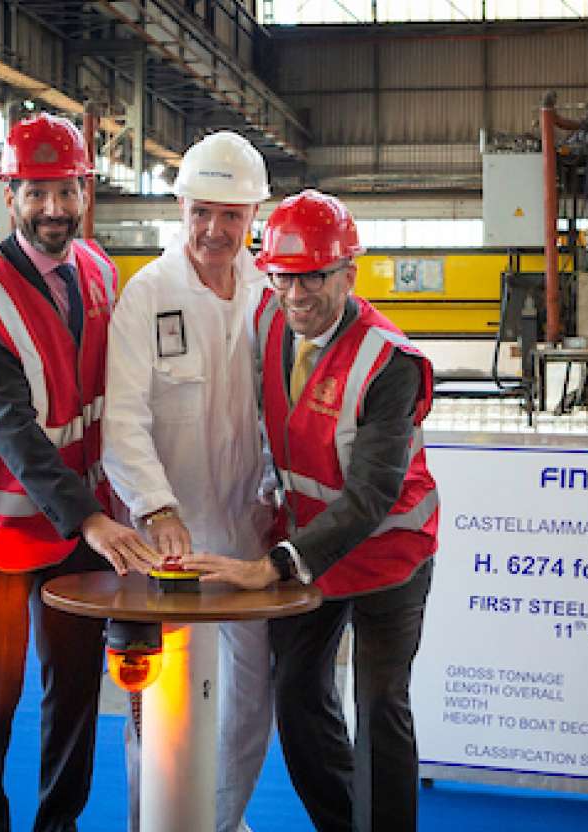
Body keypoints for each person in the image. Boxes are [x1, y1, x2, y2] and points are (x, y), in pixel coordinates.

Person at [0, 111, 160, 832]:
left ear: (85, 189)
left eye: (66, 191)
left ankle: (58, 823)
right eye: (36, 194)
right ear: (10, 197)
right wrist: (90, 516)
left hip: (77, 523)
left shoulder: (97, 272)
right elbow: (14, 431)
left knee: (76, 686)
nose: (53, 209)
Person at [185, 189, 441, 832]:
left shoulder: (391, 363)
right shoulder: (268, 324)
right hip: (310, 550)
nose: (297, 297)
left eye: (314, 279)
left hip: (389, 554)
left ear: (348, 274)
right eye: (283, 279)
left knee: (380, 704)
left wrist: (274, 564)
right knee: (296, 695)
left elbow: (371, 496)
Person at [101, 131, 274, 832]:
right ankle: (160, 823)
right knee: (163, 706)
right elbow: (123, 419)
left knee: (250, 697)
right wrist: (156, 505)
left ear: (253, 217)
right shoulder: (147, 295)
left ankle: (223, 822)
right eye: (202, 212)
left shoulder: (267, 293)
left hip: (247, 534)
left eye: (231, 215)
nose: (214, 230)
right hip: (166, 541)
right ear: (181, 207)